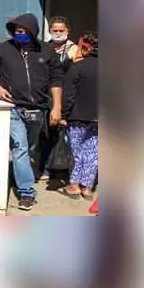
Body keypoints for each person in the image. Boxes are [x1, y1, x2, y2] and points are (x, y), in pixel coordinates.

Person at [0, 13, 64, 211]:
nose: (19, 34)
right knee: (20, 149)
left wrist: (57, 107)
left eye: (23, 31)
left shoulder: (46, 51)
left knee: (28, 149)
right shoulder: (4, 49)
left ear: (32, 31)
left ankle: (17, 175)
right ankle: (27, 192)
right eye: (17, 31)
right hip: (14, 109)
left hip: (38, 110)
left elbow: (56, 80)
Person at [40, 16, 81, 182]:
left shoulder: (74, 49)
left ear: (67, 31)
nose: (57, 33)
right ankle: (45, 166)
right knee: (45, 132)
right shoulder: (45, 48)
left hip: (66, 95)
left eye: (61, 30)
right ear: (49, 31)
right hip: (44, 95)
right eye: (54, 30)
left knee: (63, 133)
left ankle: (62, 167)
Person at [59, 33, 99, 201]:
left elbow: (68, 95)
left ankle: (74, 185)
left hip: (77, 117)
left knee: (77, 151)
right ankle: (87, 188)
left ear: (87, 48)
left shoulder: (78, 67)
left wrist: (63, 114)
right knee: (93, 153)